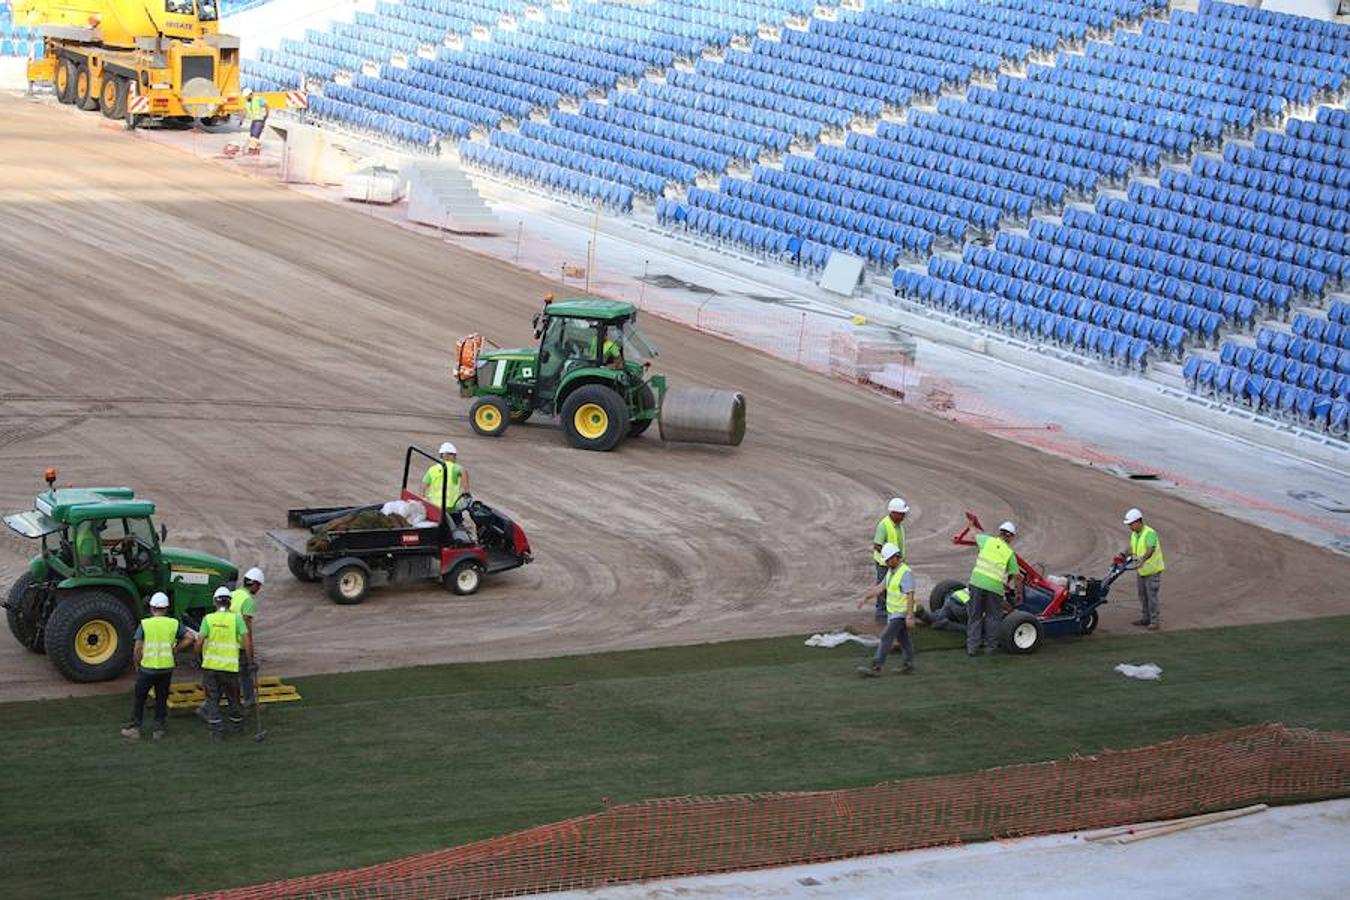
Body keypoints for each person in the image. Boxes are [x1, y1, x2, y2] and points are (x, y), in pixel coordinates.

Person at [120, 592, 195, 740]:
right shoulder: (173, 623)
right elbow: (190, 637)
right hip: (166, 669)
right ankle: (158, 729)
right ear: (166, 608)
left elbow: (137, 648)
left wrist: (136, 664)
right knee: (161, 698)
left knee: (140, 698)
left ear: (151, 608)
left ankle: (135, 728)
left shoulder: (145, 624)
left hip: (147, 669)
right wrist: (176, 649)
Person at [196, 586, 252, 741]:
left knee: (212, 700)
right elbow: (247, 641)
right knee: (234, 699)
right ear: (230, 602)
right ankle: (237, 727)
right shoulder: (237, 619)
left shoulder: (208, 619)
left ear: (214, 602)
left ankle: (216, 731)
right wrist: (250, 660)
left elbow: (199, 642)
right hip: (230, 669)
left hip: (211, 668)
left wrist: (197, 656)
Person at [856, 543, 917, 676]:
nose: (887, 563)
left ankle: (876, 667)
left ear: (896, 557)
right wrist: (865, 598)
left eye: (889, 560)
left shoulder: (905, 573)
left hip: (901, 613)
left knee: (886, 637)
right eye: (886, 560)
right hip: (894, 613)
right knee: (904, 639)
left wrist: (909, 616)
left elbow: (910, 595)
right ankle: (909, 665)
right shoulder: (891, 572)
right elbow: (880, 588)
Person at [965, 519, 1022, 656]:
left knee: (975, 616)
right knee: (992, 618)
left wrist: (971, 525)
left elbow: (973, 534)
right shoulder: (1009, 554)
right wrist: (1018, 594)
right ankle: (990, 647)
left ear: (1000, 533)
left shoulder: (986, 540)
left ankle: (972, 648)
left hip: (976, 583)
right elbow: (1017, 577)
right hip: (994, 589)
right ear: (1011, 537)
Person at [1121, 508, 1166, 631]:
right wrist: (1122, 555)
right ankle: (1145, 618)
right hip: (1141, 570)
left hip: (1152, 570)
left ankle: (1154, 621)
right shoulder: (1134, 534)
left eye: (1131, 524)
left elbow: (1150, 549)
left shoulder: (1150, 533)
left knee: (1151, 596)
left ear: (1138, 521)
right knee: (1142, 595)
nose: (1130, 527)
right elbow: (1132, 547)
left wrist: (1143, 559)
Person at [870, 498, 909, 628]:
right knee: (883, 587)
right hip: (884, 564)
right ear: (893, 513)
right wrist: (890, 557)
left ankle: (894, 612)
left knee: (895, 586)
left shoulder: (899, 525)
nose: (903, 516)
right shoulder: (884, 525)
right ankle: (881, 614)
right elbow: (877, 545)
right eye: (901, 514)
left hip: (896, 563)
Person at [230, 567, 264, 706]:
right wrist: (251, 656)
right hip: (240, 644)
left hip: (227, 642)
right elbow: (247, 631)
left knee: (230, 676)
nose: (259, 589)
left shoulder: (232, 594)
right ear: (254, 584)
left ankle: (235, 702)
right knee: (245, 673)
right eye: (259, 586)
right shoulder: (248, 601)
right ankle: (249, 701)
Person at [422, 442, 469, 526]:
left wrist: (424, 499)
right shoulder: (453, 467)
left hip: (434, 507)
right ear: (448, 456)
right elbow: (463, 471)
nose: (455, 458)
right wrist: (466, 490)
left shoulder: (432, 469)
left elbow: (424, 486)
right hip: (450, 509)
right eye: (454, 455)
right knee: (457, 527)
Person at [242, 89, 269, 154]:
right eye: (245, 96)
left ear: (250, 94)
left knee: (255, 134)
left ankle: (252, 150)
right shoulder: (247, 101)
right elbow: (245, 110)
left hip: (260, 119)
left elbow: (266, 106)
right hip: (254, 120)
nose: (246, 97)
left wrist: (266, 115)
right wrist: (242, 119)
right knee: (252, 134)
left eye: (247, 96)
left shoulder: (258, 99)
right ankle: (256, 148)